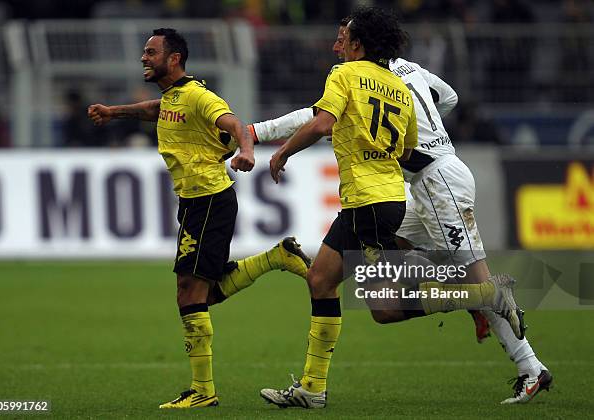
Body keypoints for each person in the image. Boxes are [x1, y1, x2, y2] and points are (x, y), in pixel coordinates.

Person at [251, 17, 550, 405]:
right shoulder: (407, 72)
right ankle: (313, 388)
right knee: (333, 274)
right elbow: (451, 98)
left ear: (360, 43)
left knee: (470, 282)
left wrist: (261, 134)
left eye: (342, 38)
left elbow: (316, 118)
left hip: (436, 182)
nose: (336, 45)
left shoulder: (352, 77)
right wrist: (426, 125)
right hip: (411, 186)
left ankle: (529, 364)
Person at [87, 28, 312, 409]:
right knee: (200, 294)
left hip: (209, 200)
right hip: (196, 202)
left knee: (189, 293)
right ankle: (277, 257)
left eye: (150, 52)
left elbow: (235, 123)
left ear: (173, 58)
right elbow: (155, 111)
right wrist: (114, 112)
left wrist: (246, 152)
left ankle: (203, 391)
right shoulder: (173, 97)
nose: (143, 57)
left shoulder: (198, 96)